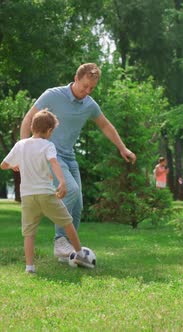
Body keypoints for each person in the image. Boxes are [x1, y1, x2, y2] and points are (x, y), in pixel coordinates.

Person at [20, 63, 136, 262]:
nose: (87, 91)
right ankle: (60, 241)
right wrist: (24, 150)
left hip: (69, 156)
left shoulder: (89, 105)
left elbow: (105, 125)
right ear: (76, 79)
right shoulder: (52, 95)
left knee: (78, 204)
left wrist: (122, 147)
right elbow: (28, 118)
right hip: (50, 154)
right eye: (84, 86)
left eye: (92, 88)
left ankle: (67, 253)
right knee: (70, 190)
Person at [2, 110, 93, 273]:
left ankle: (29, 267)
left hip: (27, 196)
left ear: (31, 126)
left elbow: (3, 164)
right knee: (67, 221)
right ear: (50, 131)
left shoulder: (20, 145)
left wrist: (13, 165)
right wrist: (63, 182)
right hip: (45, 193)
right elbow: (54, 163)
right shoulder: (48, 145)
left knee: (29, 232)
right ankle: (80, 253)